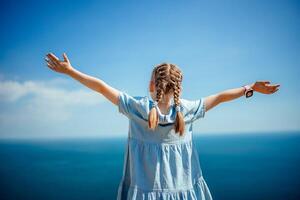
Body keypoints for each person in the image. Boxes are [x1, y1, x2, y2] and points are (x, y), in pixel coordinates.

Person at [45, 53, 280, 200]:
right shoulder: (187, 110)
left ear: (151, 84)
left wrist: (70, 71)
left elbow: (101, 87)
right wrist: (250, 87)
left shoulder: (137, 108)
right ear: (179, 87)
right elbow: (220, 97)